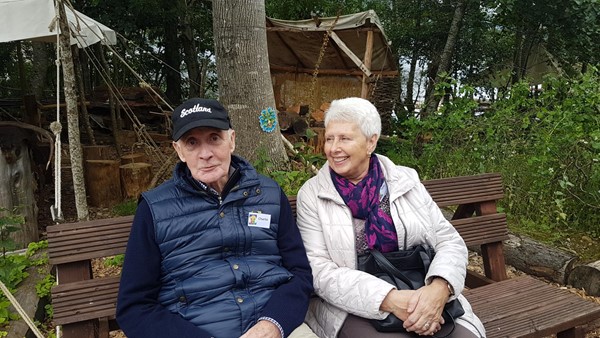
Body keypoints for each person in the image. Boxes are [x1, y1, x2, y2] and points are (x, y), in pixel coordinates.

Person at [116, 98, 316, 338]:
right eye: (192, 142)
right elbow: (134, 306)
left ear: (231, 140)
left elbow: (300, 273)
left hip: (275, 325)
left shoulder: (269, 194)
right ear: (178, 151)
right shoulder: (154, 209)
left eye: (214, 138)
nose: (206, 154)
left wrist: (273, 324)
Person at [295, 97, 486, 338]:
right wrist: (389, 299)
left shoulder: (405, 181)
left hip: (420, 287)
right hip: (350, 304)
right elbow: (319, 270)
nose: (333, 148)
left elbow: (448, 240)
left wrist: (439, 288)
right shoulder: (313, 194)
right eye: (330, 138)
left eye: (345, 138)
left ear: (371, 142)